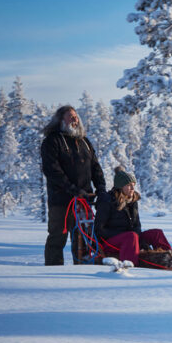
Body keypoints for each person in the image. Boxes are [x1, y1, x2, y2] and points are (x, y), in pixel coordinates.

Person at [40, 105, 104, 265]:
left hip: (84, 200)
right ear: (61, 120)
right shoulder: (52, 141)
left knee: (83, 239)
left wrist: (101, 188)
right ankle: (52, 274)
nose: (75, 119)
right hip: (61, 201)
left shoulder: (84, 142)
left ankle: (81, 274)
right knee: (57, 238)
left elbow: (95, 167)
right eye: (70, 116)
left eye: (76, 116)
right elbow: (52, 170)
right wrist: (73, 189)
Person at [95, 167, 172, 266]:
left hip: (130, 238)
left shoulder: (132, 201)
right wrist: (127, 235)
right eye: (129, 185)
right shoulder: (107, 201)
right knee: (131, 236)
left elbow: (137, 225)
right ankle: (131, 268)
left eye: (133, 185)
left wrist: (139, 239)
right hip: (109, 242)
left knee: (157, 233)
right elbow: (99, 230)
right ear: (120, 186)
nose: (132, 188)